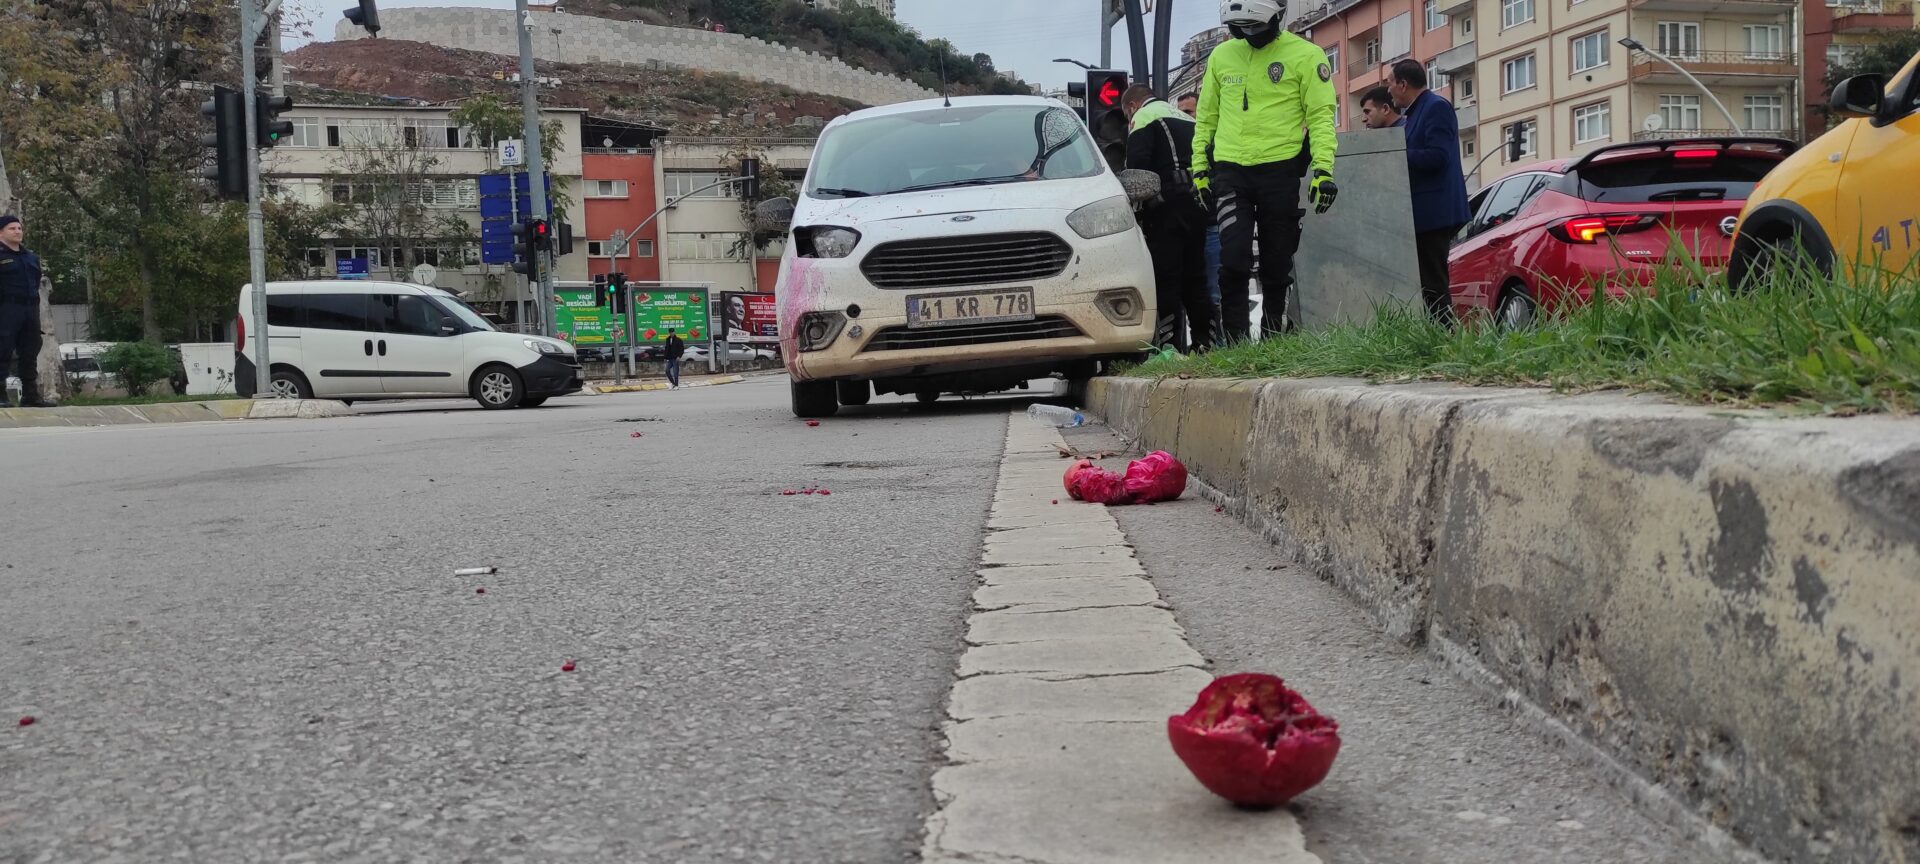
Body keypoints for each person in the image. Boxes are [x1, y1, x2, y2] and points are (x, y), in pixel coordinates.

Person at [1193, 0, 1339, 342]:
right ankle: (1236, 342)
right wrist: (1199, 169)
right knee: (1233, 259)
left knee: (1276, 262)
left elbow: (1321, 116)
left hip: (1281, 171)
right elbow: (1206, 118)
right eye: (1243, 29)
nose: (1250, 35)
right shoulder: (1221, 56)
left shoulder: (1306, 55)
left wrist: (1323, 171)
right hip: (1231, 171)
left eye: (1257, 27)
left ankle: (1275, 337)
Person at [1122, 84, 1216, 352]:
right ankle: (1205, 345)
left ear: (1132, 107)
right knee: (1196, 278)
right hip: (1197, 205)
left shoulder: (1144, 117)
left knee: (1167, 279)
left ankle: (1169, 349)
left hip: (1165, 208)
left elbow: (1137, 171)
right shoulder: (1187, 119)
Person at [1386, 59, 1471, 323]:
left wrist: (1396, 155)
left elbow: (1438, 157)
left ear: (1403, 83)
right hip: (1424, 213)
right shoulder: (1414, 114)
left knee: (1434, 283)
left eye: (1390, 83)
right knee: (1427, 283)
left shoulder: (1435, 108)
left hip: (1435, 212)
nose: (1388, 91)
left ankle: (1443, 339)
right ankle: (1437, 337)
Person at [0, 215, 51, 408]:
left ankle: (31, 395)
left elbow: (36, 281)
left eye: (19, 228)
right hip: (6, 308)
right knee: (3, 350)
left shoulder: (30, 257)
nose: (17, 231)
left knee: (30, 351)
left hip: (29, 308)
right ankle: (1, 395)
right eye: (12, 228)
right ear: (1, 232)